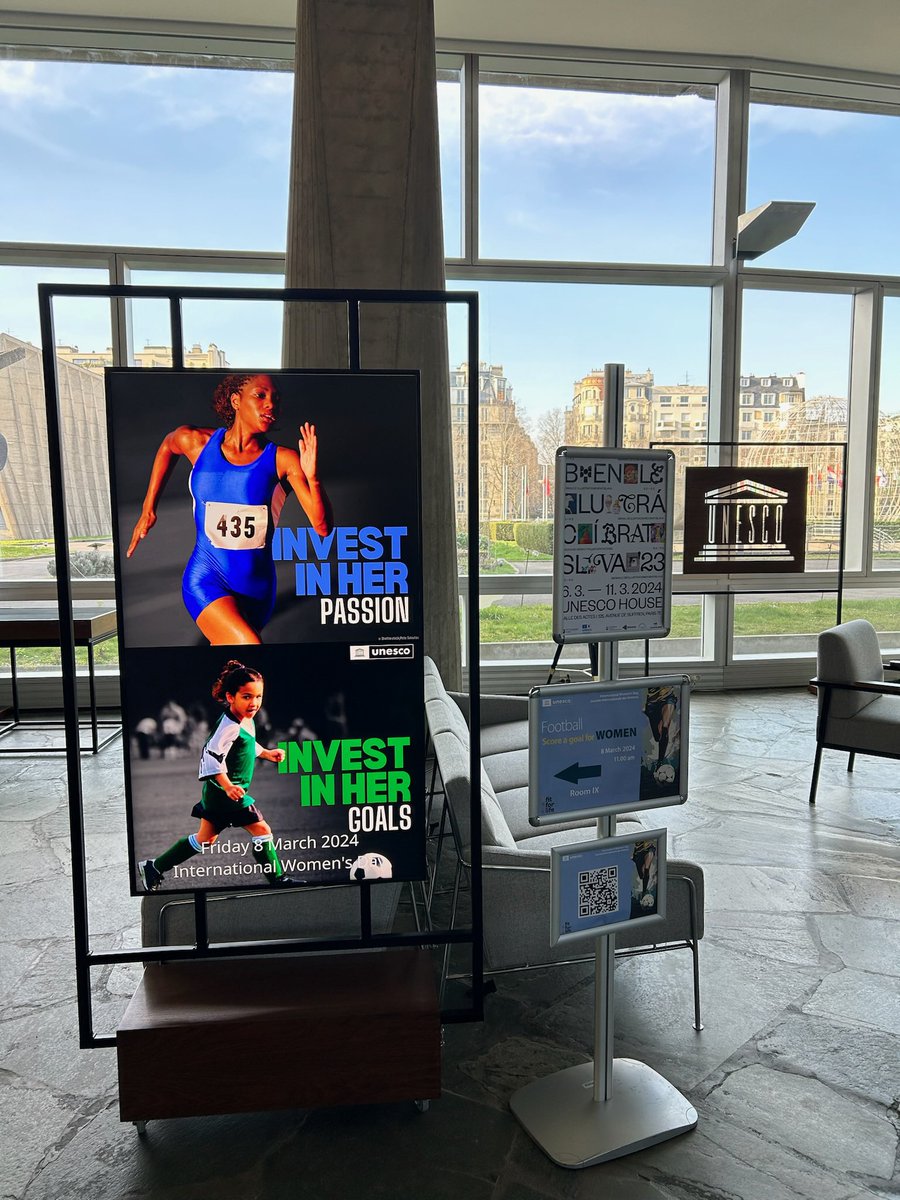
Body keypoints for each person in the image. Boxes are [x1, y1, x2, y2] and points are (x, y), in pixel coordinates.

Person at [126, 373, 332, 645]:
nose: (271, 405)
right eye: (260, 396)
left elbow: (323, 528)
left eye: (276, 400)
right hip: (207, 578)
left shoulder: (284, 460)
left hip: (258, 590)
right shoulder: (198, 443)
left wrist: (313, 478)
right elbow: (168, 445)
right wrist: (148, 508)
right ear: (236, 401)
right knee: (249, 647)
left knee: (233, 667)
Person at [139, 660, 293, 892]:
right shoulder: (229, 726)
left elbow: (247, 744)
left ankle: (154, 867)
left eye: (258, 697)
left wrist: (267, 753)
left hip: (219, 794)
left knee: (205, 839)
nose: (254, 703)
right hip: (226, 795)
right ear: (231, 697)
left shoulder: (244, 719)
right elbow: (211, 758)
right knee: (262, 830)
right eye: (247, 697)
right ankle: (278, 880)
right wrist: (228, 786)